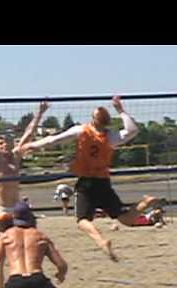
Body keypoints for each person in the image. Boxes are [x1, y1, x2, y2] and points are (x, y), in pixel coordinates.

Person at [21, 96, 159, 262]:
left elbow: (53, 140)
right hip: (103, 181)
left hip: (87, 182)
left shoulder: (81, 130)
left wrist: (32, 146)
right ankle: (145, 203)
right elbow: (132, 130)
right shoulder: (110, 137)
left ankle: (101, 241)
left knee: (82, 220)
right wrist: (120, 110)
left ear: (93, 120)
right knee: (126, 219)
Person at [0, 91, 49, 288]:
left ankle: (30, 284)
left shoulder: (14, 158)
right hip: (3, 211)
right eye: (0, 143)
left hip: (19, 211)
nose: (3, 145)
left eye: (5, 142)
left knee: (30, 248)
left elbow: (28, 135)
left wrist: (39, 113)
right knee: (0, 254)